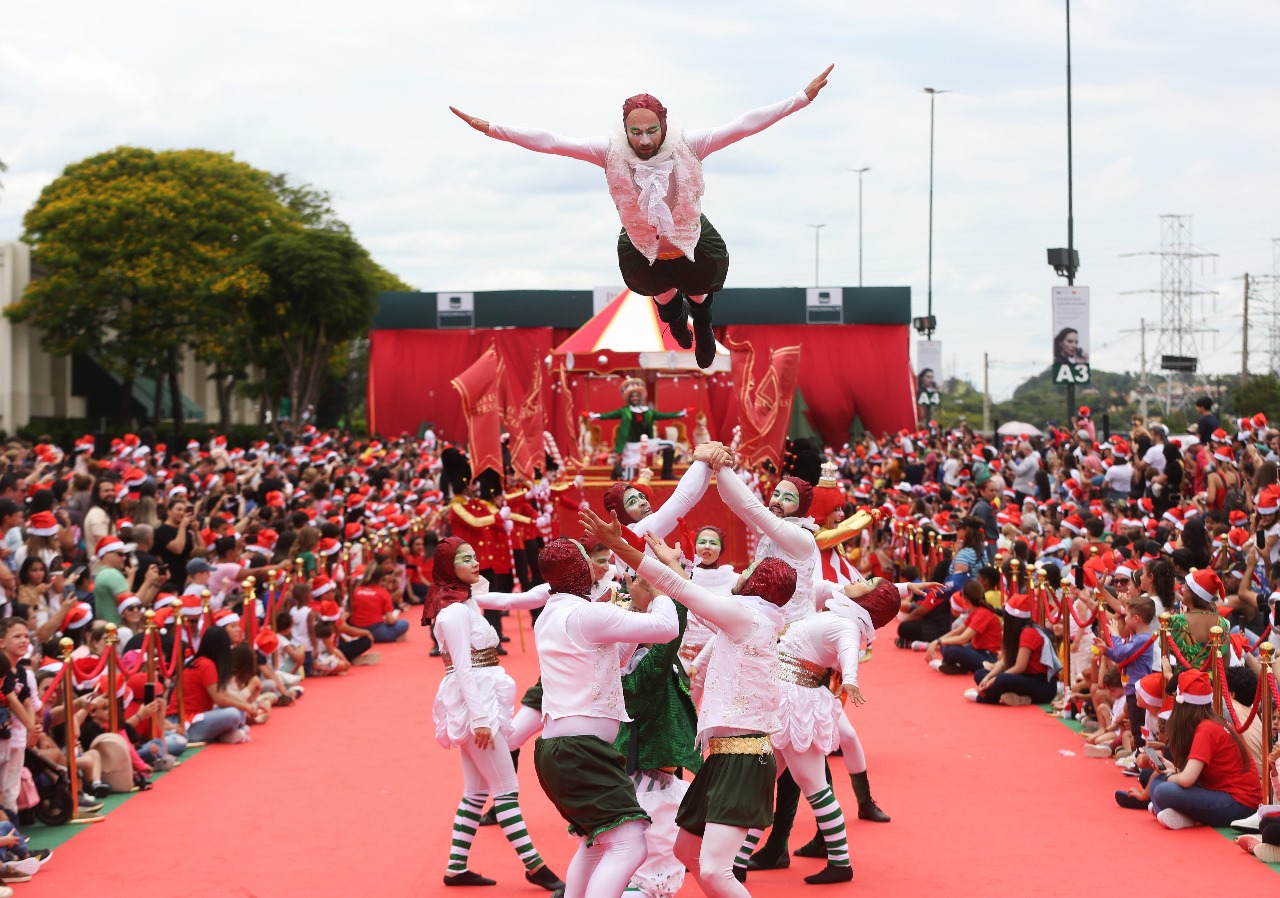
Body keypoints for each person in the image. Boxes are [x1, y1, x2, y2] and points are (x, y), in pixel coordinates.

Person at [450, 65, 834, 369]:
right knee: (658, 288)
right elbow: (551, 142)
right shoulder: (607, 151)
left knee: (699, 284)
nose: (645, 141)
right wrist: (493, 129)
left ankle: (702, 320)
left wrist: (800, 98)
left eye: (652, 131)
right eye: (637, 133)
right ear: (625, 130)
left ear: (663, 126)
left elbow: (745, 124)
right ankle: (673, 314)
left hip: (687, 234)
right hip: (641, 239)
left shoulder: (690, 144)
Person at [531, 537, 679, 898]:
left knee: (595, 844)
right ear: (578, 570)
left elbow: (614, 662)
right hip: (580, 750)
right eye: (589, 561)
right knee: (630, 845)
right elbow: (667, 628)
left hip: (560, 749)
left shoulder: (552, 613)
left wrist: (631, 615)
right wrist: (659, 591)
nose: (598, 567)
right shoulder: (585, 614)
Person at [426, 537, 562, 891]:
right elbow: (462, 669)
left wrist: (562, 582)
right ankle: (533, 865)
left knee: (476, 792)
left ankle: (456, 867)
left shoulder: (465, 602)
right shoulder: (454, 611)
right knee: (506, 789)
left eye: (474, 556)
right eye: (465, 558)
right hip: (476, 704)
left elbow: (514, 599)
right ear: (448, 567)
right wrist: (481, 719)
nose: (476, 563)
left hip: (480, 700)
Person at [1148, 670, 1261, 828]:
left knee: (1162, 789)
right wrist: (1172, 770)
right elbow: (1195, 774)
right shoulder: (1213, 722)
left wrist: (1171, 776)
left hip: (1240, 804)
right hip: (1231, 797)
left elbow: (1187, 779)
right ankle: (1178, 813)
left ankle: (1184, 817)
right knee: (1157, 783)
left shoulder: (1206, 729)